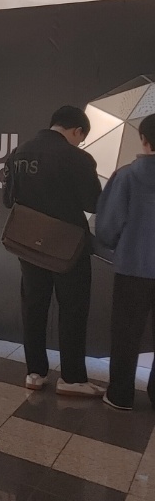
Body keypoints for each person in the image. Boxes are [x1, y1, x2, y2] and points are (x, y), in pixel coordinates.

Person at [4, 105, 104, 396]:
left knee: (34, 306)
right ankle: (72, 378)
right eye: (81, 138)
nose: (79, 142)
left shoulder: (18, 153)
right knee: (72, 310)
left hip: (28, 243)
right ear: (77, 131)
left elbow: (7, 199)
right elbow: (93, 203)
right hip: (68, 247)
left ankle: (35, 372)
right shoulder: (78, 158)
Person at [94, 114, 155, 411]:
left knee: (126, 334)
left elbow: (108, 226)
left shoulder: (127, 176)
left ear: (143, 139)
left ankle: (120, 395)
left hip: (133, 266)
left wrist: (115, 244)